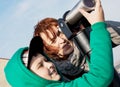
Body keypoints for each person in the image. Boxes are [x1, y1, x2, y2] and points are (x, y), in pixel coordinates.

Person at [4, 0, 114, 86]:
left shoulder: (88, 39)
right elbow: (100, 77)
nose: (61, 41)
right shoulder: (57, 76)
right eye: (53, 40)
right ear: (46, 49)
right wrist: (98, 26)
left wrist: (87, 32)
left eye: (60, 33)